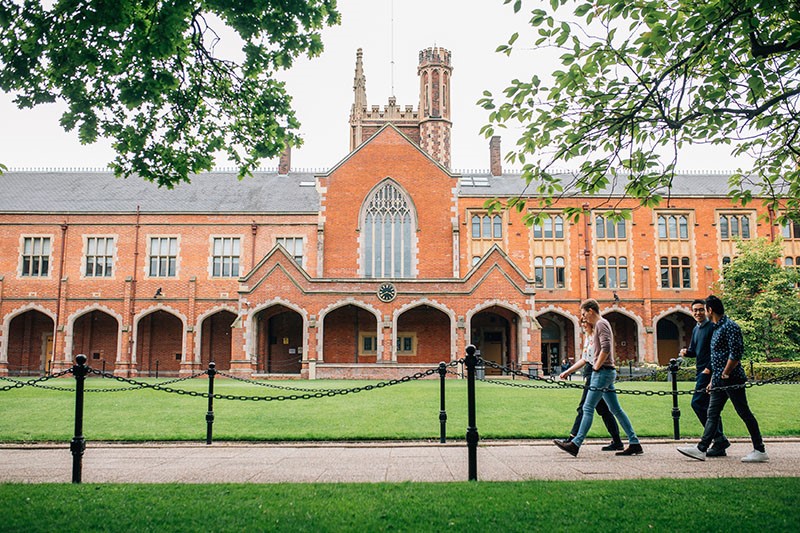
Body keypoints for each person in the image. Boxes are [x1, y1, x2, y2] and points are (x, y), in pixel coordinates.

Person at [677, 295, 768, 462]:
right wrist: (714, 379)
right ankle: (702, 448)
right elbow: (716, 357)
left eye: (704, 309)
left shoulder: (730, 326)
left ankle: (760, 449)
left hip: (732, 379)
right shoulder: (717, 327)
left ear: (710, 310)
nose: (702, 312)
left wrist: (725, 372)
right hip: (719, 379)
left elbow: (736, 353)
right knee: (712, 413)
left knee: (744, 412)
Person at [554, 299, 643, 457]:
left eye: (583, 314)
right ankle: (634, 443)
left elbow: (606, 348)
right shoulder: (598, 327)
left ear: (590, 311)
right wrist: (568, 372)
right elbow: (589, 356)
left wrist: (596, 367)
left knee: (587, 408)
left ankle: (575, 444)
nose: (583, 318)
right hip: (605, 372)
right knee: (616, 409)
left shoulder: (601, 323)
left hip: (602, 372)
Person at [557, 318, 624, 451]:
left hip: (596, 375)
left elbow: (603, 352)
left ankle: (572, 440)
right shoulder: (588, 338)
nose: (583, 326)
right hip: (590, 373)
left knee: (584, 407)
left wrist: (596, 370)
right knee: (604, 409)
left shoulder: (596, 337)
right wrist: (568, 371)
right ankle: (617, 441)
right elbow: (584, 359)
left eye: (584, 322)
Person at [679, 299, 730, 456]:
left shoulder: (711, 328)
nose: (697, 313)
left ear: (707, 311)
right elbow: (695, 351)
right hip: (701, 371)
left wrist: (710, 370)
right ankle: (719, 441)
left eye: (701, 310)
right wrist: (687, 352)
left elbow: (716, 351)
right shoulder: (696, 329)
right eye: (695, 310)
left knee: (698, 403)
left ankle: (719, 439)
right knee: (709, 407)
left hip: (708, 372)